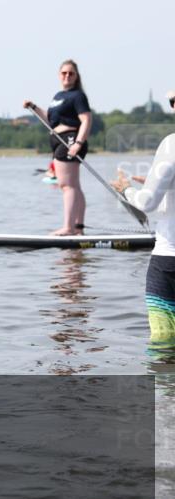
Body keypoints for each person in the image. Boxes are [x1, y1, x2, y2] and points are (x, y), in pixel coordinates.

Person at [114, 93, 175, 355]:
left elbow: (147, 203)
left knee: (163, 348)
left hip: (168, 262)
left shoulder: (171, 144)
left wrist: (126, 189)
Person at [23, 59, 92, 235]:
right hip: (58, 139)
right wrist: (34, 107)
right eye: (64, 73)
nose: (67, 76)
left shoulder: (78, 96)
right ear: (59, 75)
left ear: (76, 76)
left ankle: (68, 228)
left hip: (70, 139)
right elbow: (51, 121)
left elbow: (86, 120)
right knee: (74, 186)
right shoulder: (58, 96)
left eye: (71, 73)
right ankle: (78, 228)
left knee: (67, 185)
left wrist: (78, 143)